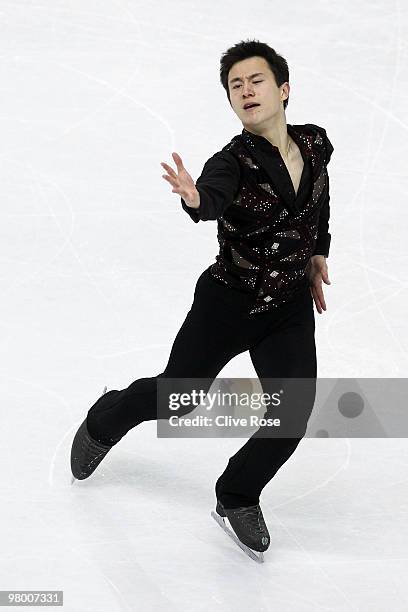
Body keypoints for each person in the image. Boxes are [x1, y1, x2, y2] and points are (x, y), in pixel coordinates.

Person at [71, 39, 333, 562]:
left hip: (285, 306)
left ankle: (237, 495)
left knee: (293, 413)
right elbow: (210, 198)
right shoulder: (231, 161)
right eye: (236, 86)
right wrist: (196, 198)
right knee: (180, 398)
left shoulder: (315, 144)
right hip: (227, 303)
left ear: (283, 89)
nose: (246, 91)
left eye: (255, 80)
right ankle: (107, 416)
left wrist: (316, 254)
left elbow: (319, 201)